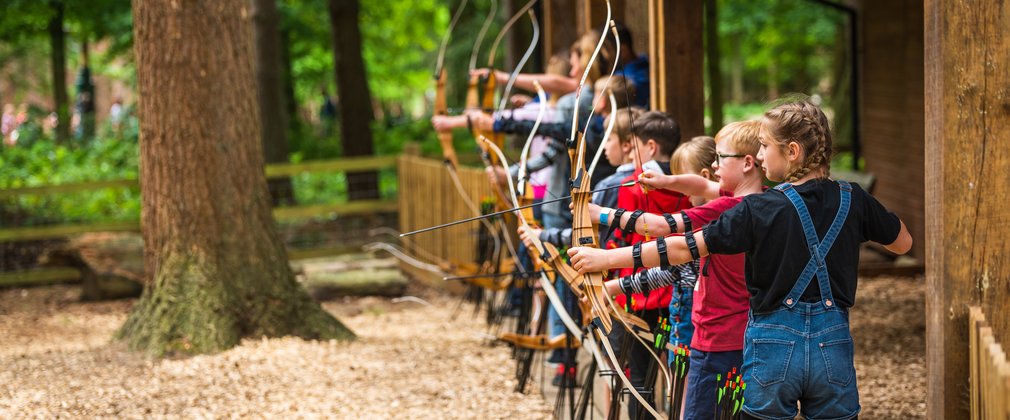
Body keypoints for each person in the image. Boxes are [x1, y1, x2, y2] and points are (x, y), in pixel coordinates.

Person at [568, 99, 913, 420]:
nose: (760, 156)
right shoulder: (853, 199)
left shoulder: (758, 208)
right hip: (832, 347)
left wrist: (603, 258)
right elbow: (903, 243)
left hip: (773, 349)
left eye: (765, 146)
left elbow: (679, 248)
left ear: (792, 152)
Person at [593, 122, 764, 419]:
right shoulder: (761, 200)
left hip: (715, 336)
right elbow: (701, 184)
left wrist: (601, 215)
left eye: (721, 158)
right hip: (742, 334)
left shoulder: (728, 208)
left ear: (747, 163)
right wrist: (665, 181)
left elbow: (662, 229)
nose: (713, 164)